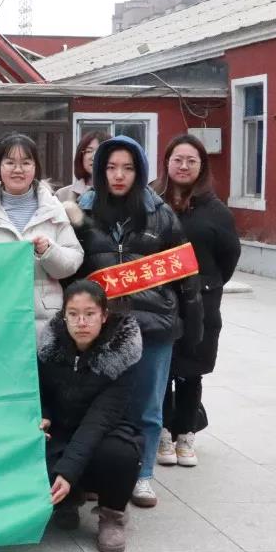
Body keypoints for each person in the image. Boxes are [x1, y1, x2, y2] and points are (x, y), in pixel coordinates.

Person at [64, 135, 203, 508]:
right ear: (99, 170)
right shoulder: (81, 212)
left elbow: (185, 273)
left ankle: (142, 475)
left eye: (127, 168)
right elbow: (70, 268)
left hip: (153, 327)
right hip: (100, 329)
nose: (119, 175)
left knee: (147, 406)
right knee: (97, 405)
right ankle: (100, 475)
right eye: (111, 167)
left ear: (139, 171)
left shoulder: (161, 213)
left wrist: (194, 327)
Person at [152, 134, 241, 469]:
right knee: (161, 369)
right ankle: (162, 432)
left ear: (202, 166)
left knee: (191, 371)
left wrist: (206, 286)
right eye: (178, 159)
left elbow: (229, 257)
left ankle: (186, 434)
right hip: (159, 299)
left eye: (191, 160)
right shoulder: (152, 202)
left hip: (201, 303)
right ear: (167, 163)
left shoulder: (216, 211)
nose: (184, 166)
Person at [38, 280, 142, 552]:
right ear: (64, 316)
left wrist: (68, 471)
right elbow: (39, 390)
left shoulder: (122, 353)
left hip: (106, 429)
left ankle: (112, 515)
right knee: (35, 446)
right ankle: (68, 500)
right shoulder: (50, 346)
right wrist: (44, 414)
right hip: (62, 425)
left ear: (104, 315)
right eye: (73, 314)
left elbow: (99, 419)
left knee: (120, 455)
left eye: (90, 313)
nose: (81, 322)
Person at [0, 133, 83, 337]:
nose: (18, 169)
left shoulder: (53, 209)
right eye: (10, 163)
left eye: (26, 162)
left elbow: (72, 261)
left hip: (46, 323)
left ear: (35, 167)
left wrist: (48, 250)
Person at [57, 132, 111, 203]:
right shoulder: (62, 195)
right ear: (80, 157)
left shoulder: (121, 193)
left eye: (101, 151)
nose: (94, 157)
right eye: (89, 151)